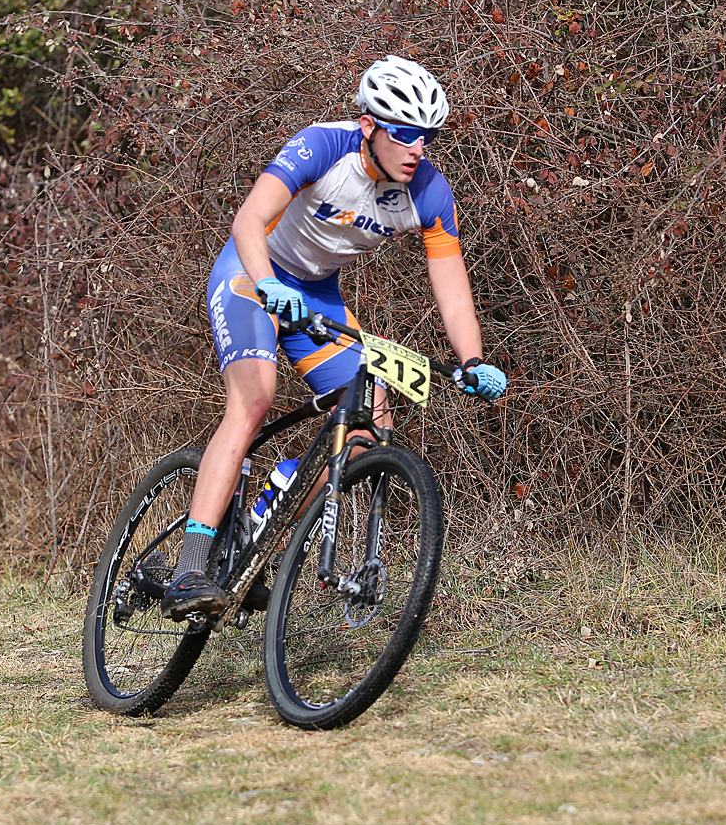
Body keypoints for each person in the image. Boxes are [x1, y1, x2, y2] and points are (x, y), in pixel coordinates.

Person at [164, 56, 508, 620]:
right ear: (370, 126)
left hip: (317, 294)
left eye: (426, 137)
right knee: (255, 398)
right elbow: (248, 222)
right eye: (404, 134)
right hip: (252, 274)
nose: (416, 148)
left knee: (369, 426)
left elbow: (451, 283)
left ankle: (260, 534)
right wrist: (270, 284)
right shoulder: (323, 146)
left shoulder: (428, 192)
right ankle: (190, 570)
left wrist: (471, 359)